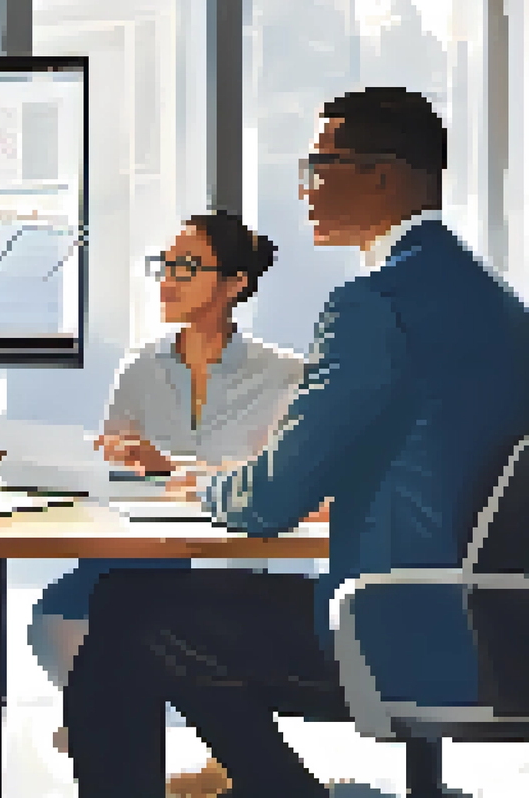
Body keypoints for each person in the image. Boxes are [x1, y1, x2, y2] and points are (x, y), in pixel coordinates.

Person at [63, 87, 529, 798]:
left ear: (382, 174)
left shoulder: (374, 306)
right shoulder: (500, 306)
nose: (306, 186)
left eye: (321, 164)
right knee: (154, 619)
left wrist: (204, 483)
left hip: (401, 629)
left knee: (130, 610)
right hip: (500, 633)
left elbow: (269, 501)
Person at [30, 212, 302, 790]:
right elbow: (112, 471)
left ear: (234, 285)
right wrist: (111, 461)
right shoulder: (140, 369)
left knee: (124, 624)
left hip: (227, 552)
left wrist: (171, 467)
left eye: (186, 266)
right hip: (142, 545)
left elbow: (279, 483)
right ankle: (111, 722)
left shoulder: (282, 376)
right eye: (165, 265)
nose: (167, 279)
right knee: (55, 613)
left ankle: (120, 726)